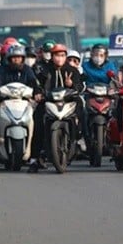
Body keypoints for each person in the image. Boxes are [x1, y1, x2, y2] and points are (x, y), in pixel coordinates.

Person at [28, 44, 83, 173]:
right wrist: (37, 93)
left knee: (81, 109)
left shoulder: (72, 70)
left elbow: (79, 87)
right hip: (49, 101)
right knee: (37, 121)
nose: (59, 58)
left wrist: (72, 85)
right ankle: (35, 158)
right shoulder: (44, 70)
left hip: (68, 101)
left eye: (62, 55)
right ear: (52, 57)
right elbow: (37, 84)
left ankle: (78, 139)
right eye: (57, 55)